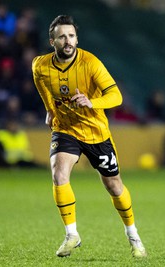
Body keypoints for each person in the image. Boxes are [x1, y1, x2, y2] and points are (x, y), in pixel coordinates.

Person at [31, 15, 147, 258]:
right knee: (58, 173)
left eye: (71, 36)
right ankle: (71, 235)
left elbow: (116, 97)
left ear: (76, 38)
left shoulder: (90, 63)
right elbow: (43, 88)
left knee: (114, 186)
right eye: (62, 36)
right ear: (52, 41)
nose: (68, 41)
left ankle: (133, 235)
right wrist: (50, 111)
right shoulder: (39, 65)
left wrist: (91, 102)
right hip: (65, 129)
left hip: (96, 133)